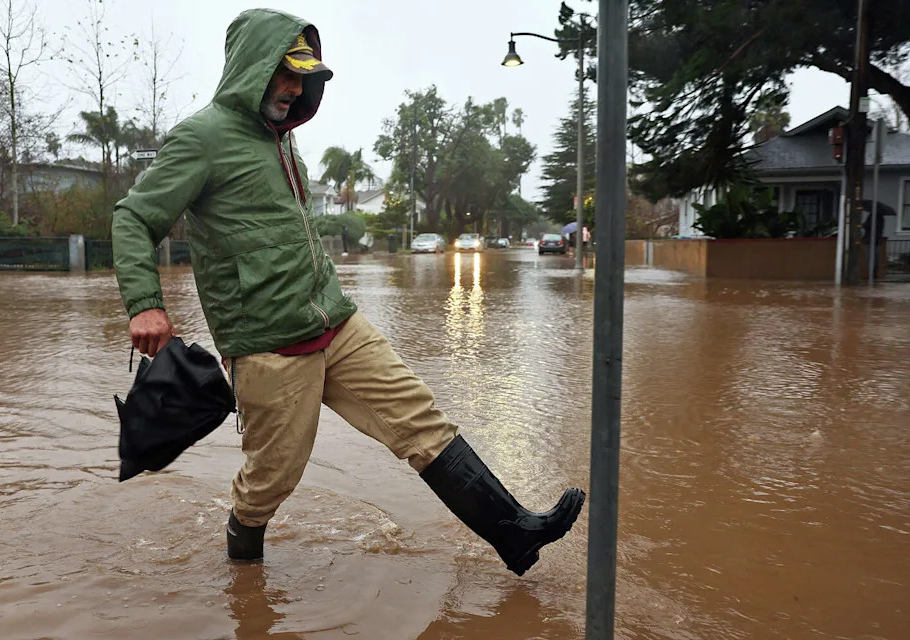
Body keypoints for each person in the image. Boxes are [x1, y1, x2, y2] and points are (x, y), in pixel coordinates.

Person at [111, 9, 584, 576]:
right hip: (269, 343)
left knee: (421, 422)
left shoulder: (282, 143)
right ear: (253, 67)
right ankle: (244, 569)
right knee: (271, 479)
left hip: (336, 323)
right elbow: (133, 218)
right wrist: (145, 303)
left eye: (302, 76)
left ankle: (514, 532)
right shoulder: (202, 138)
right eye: (285, 73)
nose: (293, 87)